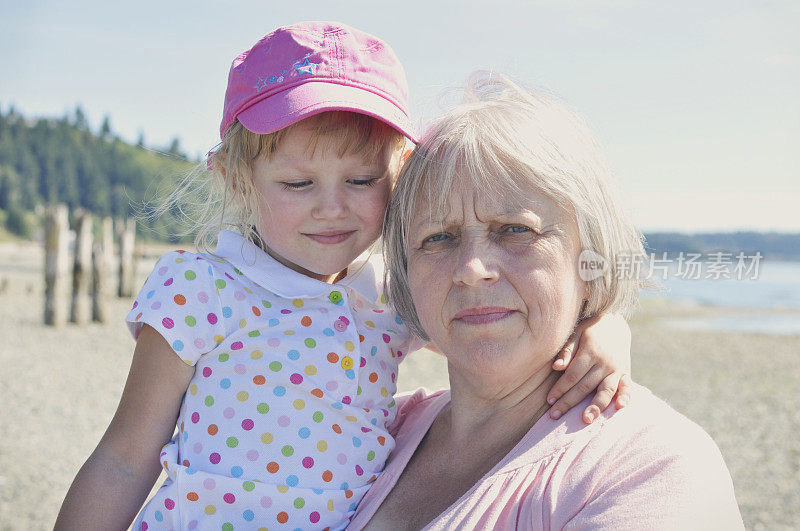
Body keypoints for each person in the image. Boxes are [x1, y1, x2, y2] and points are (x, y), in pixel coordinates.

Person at [55, 24, 633, 530]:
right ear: (237, 178)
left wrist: (603, 326)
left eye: (360, 181)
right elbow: (124, 458)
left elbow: (493, 326)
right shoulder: (202, 289)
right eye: (298, 184)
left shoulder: (390, 297)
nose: (332, 208)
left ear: (398, 174)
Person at [349, 72, 744, 529]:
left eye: (516, 230)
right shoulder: (371, 431)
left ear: (591, 258)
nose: (473, 267)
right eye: (439, 238)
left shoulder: (648, 467)